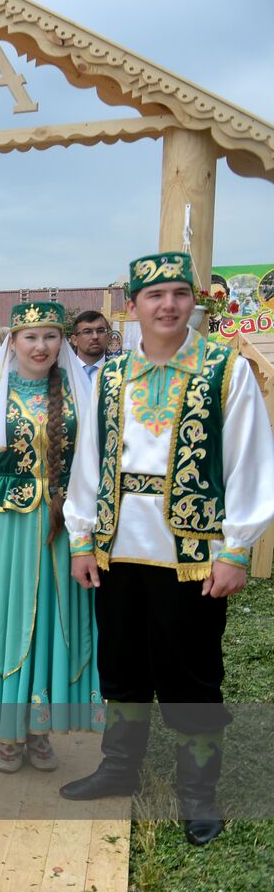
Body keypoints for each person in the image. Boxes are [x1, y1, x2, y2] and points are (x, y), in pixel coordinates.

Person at [62, 252, 274, 845]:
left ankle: (198, 792)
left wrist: (236, 550)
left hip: (193, 554)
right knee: (122, 665)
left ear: (193, 302)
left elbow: (251, 462)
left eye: (180, 293)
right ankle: (119, 768)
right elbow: (89, 463)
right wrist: (82, 538)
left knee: (192, 673)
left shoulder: (222, 370)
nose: (169, 305)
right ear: (133, 306)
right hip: (116, 549)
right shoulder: (109, 376)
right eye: (154, 296)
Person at [0, 301, 102, 772]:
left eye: (50, 336)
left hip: (59, 529)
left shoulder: (78, 393)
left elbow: (90, 470)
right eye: (30, 336)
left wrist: (87, 533)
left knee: (54, 626)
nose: (41, 346)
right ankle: (6, 732)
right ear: (13, 342)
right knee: (3, 624)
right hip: (5, 529)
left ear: (62, 342)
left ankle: (39, 729)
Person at [69, 309, 111, 393]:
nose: (95, 336)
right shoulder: (64, 374)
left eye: (100, 331)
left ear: (108, 336)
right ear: (74, 340)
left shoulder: (120, 372)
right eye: (87, 332)